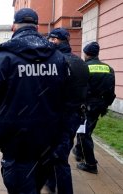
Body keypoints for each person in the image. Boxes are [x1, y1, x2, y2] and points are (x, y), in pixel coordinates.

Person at [0, 8, 74, 193]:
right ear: (37, 27)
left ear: (13, 27)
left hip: (17, 142)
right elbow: (67, 100)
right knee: (35, 187)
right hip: (48, 140)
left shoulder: (5, 56)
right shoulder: (58, 57)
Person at [46, 27, 89, 193]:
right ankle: (50, 183)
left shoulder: (56, 61)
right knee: (58, 154)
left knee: (57, 158)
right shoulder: (80, 62)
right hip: (74, 116)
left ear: (56, 40)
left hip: (57, 116)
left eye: (50, 39)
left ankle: (59, 187)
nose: (48, 42)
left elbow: (50, 91)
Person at [73, 41, 116, 174]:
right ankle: (79, 151)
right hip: (99, 106)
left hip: (86, 106)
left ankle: (90, 164)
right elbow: (111, 90)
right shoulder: (108, 68)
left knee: (84, 133)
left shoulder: (84, 67)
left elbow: (79, 89)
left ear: (86, 54)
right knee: (86, 130)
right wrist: (105, 105)